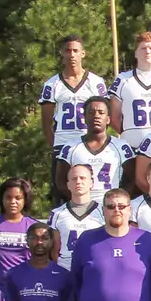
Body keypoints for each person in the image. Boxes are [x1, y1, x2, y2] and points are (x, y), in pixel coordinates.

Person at [38, 36, 109, 189]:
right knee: (62, 190)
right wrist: (56, 145)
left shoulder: (96, 82)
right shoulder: (52, 84)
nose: (72, 55)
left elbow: (104, 116)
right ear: (61, 53)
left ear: (83, 53)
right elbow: (46, 122)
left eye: (75, 50)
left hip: (88, 143)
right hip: (63, 143)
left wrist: (97, 142)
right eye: (67, 50)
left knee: (93, 188)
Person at [54, 96, 132, 202]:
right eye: (91, 112)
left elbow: (132, 180)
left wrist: (117, 201)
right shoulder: (71, 147)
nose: (96, 116)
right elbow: (61, 182)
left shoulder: (121, 147)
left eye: (101, 112)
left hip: (111, 206)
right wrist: (80, 200)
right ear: (85, 118)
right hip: (81, 206)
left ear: (108, 119)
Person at [48, 161, 105, 270]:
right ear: (68, 185)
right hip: (66, 270)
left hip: (94, 269)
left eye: (83, 178)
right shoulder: (57, 214)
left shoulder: (104, 211)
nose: (78, 182)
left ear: (91, 183)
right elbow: (54, 251)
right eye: (74, 178)